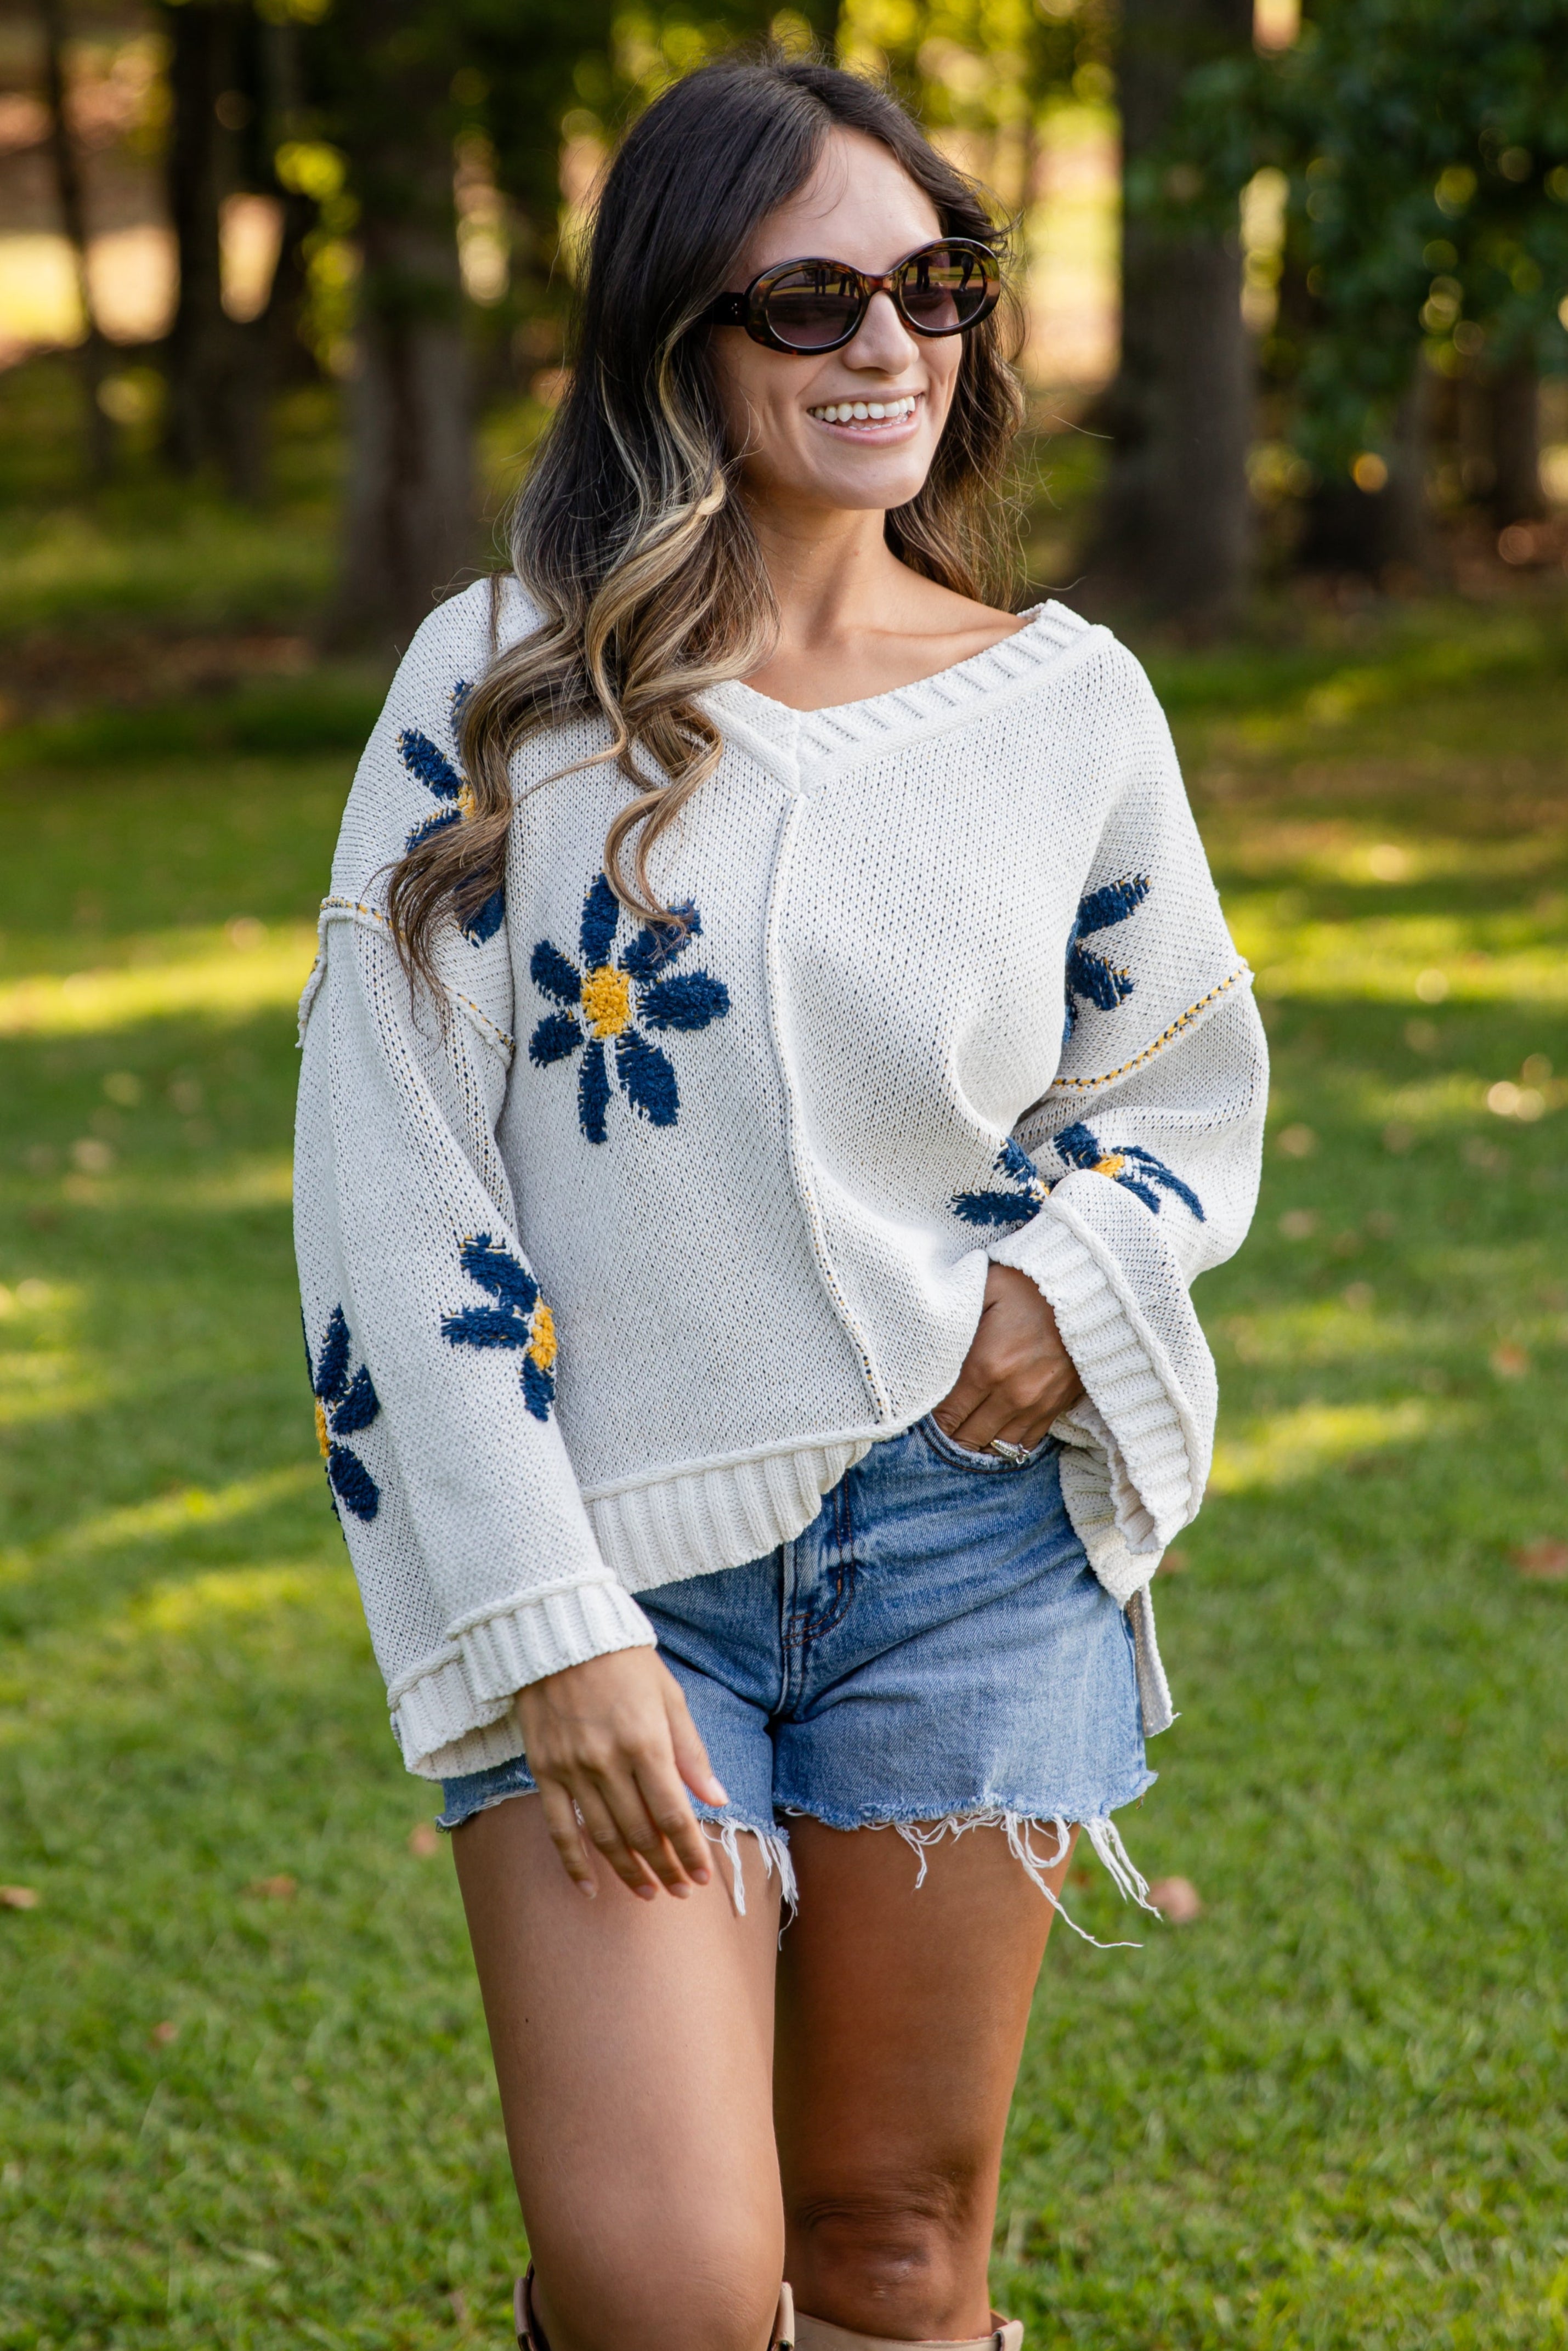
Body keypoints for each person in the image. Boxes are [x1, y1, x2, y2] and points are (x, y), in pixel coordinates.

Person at [294, 50, 1266, 2351]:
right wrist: (548, 1623)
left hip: (967, 1550)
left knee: (896, 2259)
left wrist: (1072, 1276)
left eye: (933, 285)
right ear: (675, 346)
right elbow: (393, 1188)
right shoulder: (502, 690)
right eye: (805, 301)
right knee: (665, 2281)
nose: (886, 348)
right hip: (615, 1553)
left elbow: (1178, 1091)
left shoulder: (1068, 709)